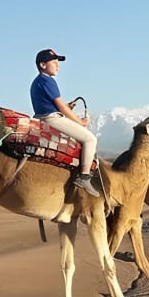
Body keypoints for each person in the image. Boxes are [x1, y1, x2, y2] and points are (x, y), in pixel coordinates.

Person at [30, 48, 100, 197]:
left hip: (41, 117)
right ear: (43, 65)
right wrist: (80, 122)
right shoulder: (48, 80)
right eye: (54, 62)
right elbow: (60, 106)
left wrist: (66, 107)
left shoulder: (38, 82)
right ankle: (84, 177)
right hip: (51, 119)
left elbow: (55, 105)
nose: (57, 65)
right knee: (90, 139)